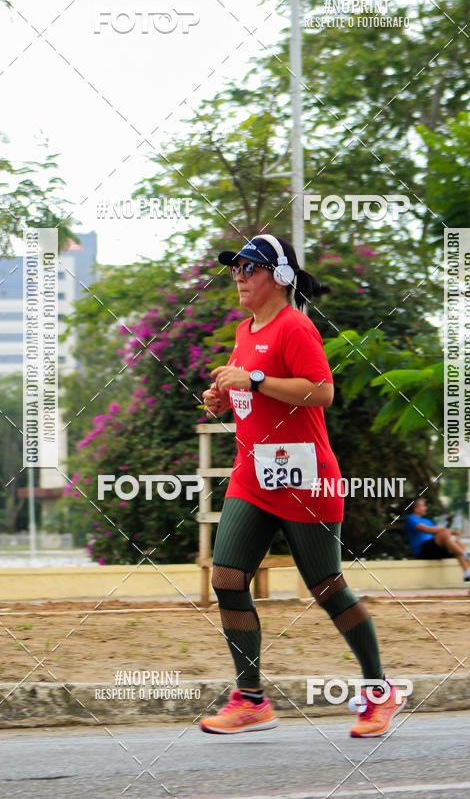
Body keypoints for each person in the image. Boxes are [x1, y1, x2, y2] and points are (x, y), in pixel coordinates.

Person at [199, 234, 407, 738]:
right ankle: (250, 699)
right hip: (253, 474)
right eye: (236, 269)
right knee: (226, 578)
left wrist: (251, 381)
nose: (240, 276)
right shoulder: (246, 330)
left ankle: (380, 693)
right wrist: (225, 397)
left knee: (327, 587)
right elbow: (253, 390)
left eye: (250, 267)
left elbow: (322, 391)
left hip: (304, 476)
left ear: (280, 276)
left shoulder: (296, 327)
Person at [404, 498, 470, 581]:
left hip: (434, 550)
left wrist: (452, 532)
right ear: (416, 508)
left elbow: (439, 531)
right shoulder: (410, 519)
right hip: (423, 551)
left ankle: (468, 574)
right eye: (423, 506)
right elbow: (426, 529)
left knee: (459, 543)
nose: (425, 508)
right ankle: (465, 554)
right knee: (445, 533)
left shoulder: (426, 520)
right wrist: (450, 532)